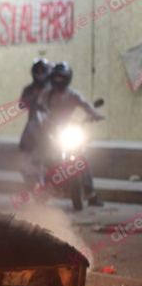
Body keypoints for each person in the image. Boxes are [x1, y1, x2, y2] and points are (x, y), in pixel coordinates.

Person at [38, 61, 106, 206]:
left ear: (67, 78)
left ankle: (90, 194)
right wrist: (42, 121)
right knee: (44, 156)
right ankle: (42, 188)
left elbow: (86, 105)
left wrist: (94, 115)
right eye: (56, 77)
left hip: (69, 128)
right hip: (52, 130)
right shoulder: (46, 95)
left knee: (82, 158)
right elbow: (40, 109)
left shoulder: (73, 95)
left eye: (61, 77)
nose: (58, 80)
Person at [19, 58, 52, 193]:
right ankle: (30, 181)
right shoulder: (29, 89)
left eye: (42, 72)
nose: (40, 75)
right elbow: (21, 105)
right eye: (37, 72)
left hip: (52, 127)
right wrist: (33, 97)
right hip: (33, 128)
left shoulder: (53, 89)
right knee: (28, 156)